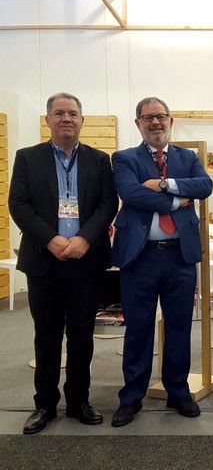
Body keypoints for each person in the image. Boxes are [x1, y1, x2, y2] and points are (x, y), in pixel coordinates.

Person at [9, 92, 118, 434]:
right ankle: (44, 404)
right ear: (48, 120)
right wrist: (51, 239)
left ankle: (78, 401)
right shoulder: (27, 157)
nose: (66, 118)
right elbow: (19, 204)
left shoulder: (99, 160)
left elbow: (107, 204)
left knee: (82, 336)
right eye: (59, 113)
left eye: (72, 113)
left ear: (82, 120)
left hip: (86, 261)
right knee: (46, 336)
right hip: (45, 261)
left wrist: (84, 238)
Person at [110, 97, 213, 426]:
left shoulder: (188, 157)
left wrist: (165, 184)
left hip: (179, 256)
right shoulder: (124, 158)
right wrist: (177, 201)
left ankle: (178, 391)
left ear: (170, 121)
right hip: (139, 258)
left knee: (180, 326)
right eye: (148, 118)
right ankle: (131, 397)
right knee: (138, 328)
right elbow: (132, 194)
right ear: (138, 123)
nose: (155, 123)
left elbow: (205, 186)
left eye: (161, 117)